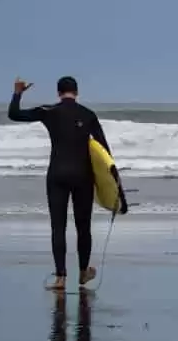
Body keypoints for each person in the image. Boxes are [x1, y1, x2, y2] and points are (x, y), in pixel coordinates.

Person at [8, 75, 114, 290]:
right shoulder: (88, 114)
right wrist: (112, 183)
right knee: (83, 227)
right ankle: (83, 272)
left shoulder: (49, 111)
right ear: (77, 92)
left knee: (58, 227)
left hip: (57, 175)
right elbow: (104, 152)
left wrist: (18, 93)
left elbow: (14, 114)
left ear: (58, 93)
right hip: (83, 176)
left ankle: (60, 278)